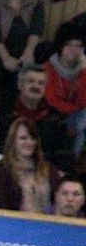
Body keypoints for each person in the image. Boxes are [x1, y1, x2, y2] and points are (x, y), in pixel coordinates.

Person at [0, 65, 74, 170]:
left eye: (41, 83)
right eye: (31, 81)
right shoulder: (3, 113)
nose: (36, 86)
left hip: (43, 171)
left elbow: (63, 152)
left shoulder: (55, 117)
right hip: (8, 169)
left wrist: (59, 172)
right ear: (20, 85)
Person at [0, 118, 60, 213]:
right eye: (23, 138)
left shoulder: (49, 169)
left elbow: (58, 202)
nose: (29, 142)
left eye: (33, 138)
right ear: (12, 141)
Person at [43, 22, 86, 161]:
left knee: (82, 124)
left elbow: (84, 102)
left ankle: (69, 165)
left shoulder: (83, 70)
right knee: (81, 125)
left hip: (77, 118)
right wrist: (75, 111)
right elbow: (51, 101)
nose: (74, 50)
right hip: (53, 115)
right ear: (60, 46)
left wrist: (84, 72)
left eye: (79, 45)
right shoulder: (48, 68)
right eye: (69, 45)